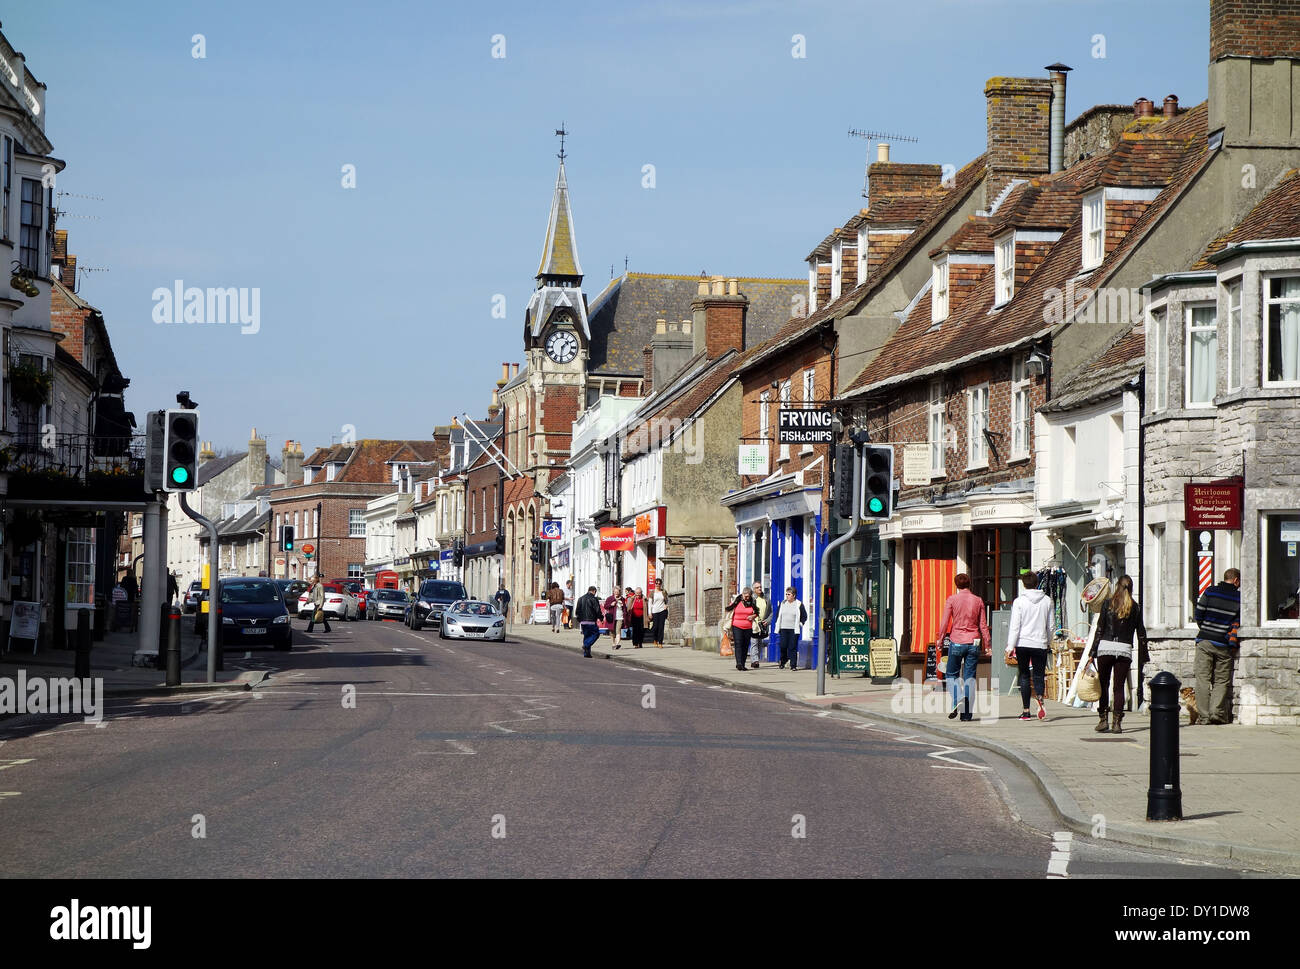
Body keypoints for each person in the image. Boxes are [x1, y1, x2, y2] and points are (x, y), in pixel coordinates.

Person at [1087, 575, 1147, 734]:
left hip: (1105, 647)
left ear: (1117, 586)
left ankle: (1103, 719)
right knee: (1118, 687)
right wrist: (1144, 655)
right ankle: (1117, 723)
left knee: (1104, 684)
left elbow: (1100, 630)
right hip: (1124, 649)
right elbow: (1141, 633)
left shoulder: (1108, 604)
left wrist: (1092, 652)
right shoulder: (1135, 607)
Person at [938, 573, 991, 722]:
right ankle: (966, 715)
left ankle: (958, 697)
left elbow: (944, 622)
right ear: (969, 584)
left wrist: (940, 639)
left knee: (951, 674)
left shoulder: (952, 600)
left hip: (957, 640)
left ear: (956, 585)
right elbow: (983, 625)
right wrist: (987, 644)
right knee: (969, 678)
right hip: (974, 641)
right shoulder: (978, 600)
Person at [1194, 568, 1241, 725]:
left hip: (1205, 640)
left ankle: (1204, 716)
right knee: (1221, 680)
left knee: (1202, 679)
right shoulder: (1239, 597)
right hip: (1223, 644)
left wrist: (1206, 629)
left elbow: (1198, 614)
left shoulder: (1210, 592)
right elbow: (1238, 620)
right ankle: (1216, 713)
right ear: (1235, 580)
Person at [1006, 570, 1053, 721]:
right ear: (1037, 582)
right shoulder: (1047, 601)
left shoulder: (1019, 601)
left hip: (1023, 643)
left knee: (1024, 675)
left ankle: (1026, 711)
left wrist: (1010, 647)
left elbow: (1015, 626)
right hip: (1040, 643)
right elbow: (1051, 625)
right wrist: (1049, 641)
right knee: (1039, 675)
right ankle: (1040, 699)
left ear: (1023, 584)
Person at [725, 587, 758, 672]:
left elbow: (757, 612)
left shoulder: (752, 601)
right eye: (744, 595)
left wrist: (753, 616)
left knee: (745, 645)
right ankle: (739, 663)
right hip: (737, 625)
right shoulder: (737, 600)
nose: (746, 598)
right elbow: (729, 609)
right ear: (742, 594)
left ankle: (743, 664)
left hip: (748, 626)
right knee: (738, 643)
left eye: (748, 596)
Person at [775, 587, 807, 670]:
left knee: (792, 647)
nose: (787, 596)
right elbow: (778, 615)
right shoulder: (783, 603)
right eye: (786, 594)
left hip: (793, 629)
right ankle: (782, 661)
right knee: (783, 646)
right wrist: (778, 624)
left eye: (789, 594)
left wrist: (800, 623)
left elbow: (804, 616)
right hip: (783, 628)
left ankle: (793, 665)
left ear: (794, 595)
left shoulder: (799, 604)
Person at [575, 586, 603, 658]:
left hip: (583, 621)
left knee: (586, 636)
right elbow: (597, 610)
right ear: (593, 591)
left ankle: (587, 653)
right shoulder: (594, 599)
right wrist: (601, 618)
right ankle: (586, 645)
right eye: (595, 592)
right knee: (596, 634)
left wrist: (579, 619)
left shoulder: (581, 599)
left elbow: (577, 610)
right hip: (591, 621)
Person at [749, 583, 771, 669]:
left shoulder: (766, 598)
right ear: (753, 589)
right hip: (754, 623)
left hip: (763, 624)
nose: (760, 589)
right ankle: (755, 661)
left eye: (760, 587)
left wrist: (767, 621)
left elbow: (770, 612)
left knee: (760, 642)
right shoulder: (752, 599)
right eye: (757, 587)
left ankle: (756, 659)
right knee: (754, 642)